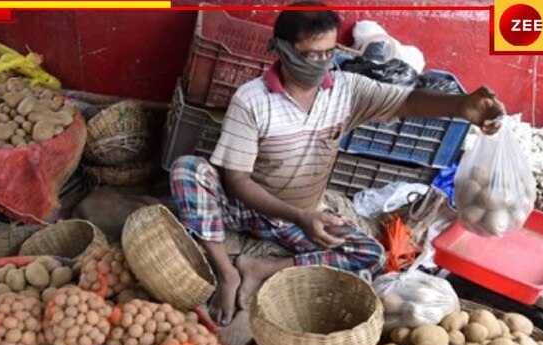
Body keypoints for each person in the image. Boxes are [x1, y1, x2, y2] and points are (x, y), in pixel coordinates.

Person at [170, 2, 507, 325]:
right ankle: (226, 272)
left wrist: (461, 105)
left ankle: (260, 267)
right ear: (281, 49)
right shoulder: (252, 99)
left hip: (303, 217)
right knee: (187, 169)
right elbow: (237, 180)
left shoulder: (345, 91)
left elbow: (407, 100)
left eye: (328, 53)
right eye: (309, 54)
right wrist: (299, 216)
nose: (319, 63)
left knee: (370, 256)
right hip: (247, 206)